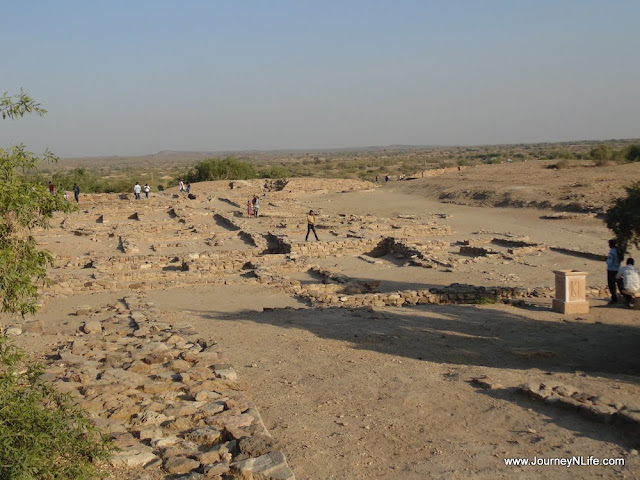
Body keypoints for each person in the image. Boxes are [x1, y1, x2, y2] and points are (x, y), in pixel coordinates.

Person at [606, 239, 622, 304]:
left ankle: (614, 298)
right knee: (619, 283)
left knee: (611, 284)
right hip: (617, 268)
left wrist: (606, 260)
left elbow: (609, 262)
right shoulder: (618, 250)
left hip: (611, 269)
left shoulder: (612, 252)